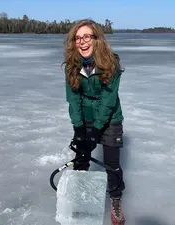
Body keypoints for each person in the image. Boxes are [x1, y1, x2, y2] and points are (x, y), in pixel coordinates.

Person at [62, 19, 126, 225]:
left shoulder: (111, 63)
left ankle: (116, 200)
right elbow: (73, 98)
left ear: (97, 39)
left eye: (87, 36)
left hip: (110, 118)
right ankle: (79, 200)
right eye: (78, 38)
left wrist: (97, 130)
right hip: (86, 117)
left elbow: (108, 99)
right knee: (81, 159)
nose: (82, 42)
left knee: (112, 164)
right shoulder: (72, 65)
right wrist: (79, 128)